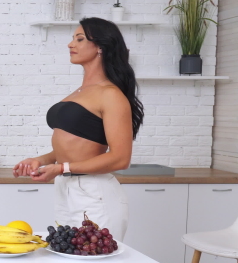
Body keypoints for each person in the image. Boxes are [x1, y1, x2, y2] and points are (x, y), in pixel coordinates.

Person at [13, 17, 144, 240]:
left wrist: (61, 168)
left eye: (80, 39)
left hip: (94, 193)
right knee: (69, 262)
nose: (70, 44)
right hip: (66, 188)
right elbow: (77, 146)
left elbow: (121, 159)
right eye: (73, 38)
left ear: (101, 47)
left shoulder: (110, 94)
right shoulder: (81, 92)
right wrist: (42, 160)